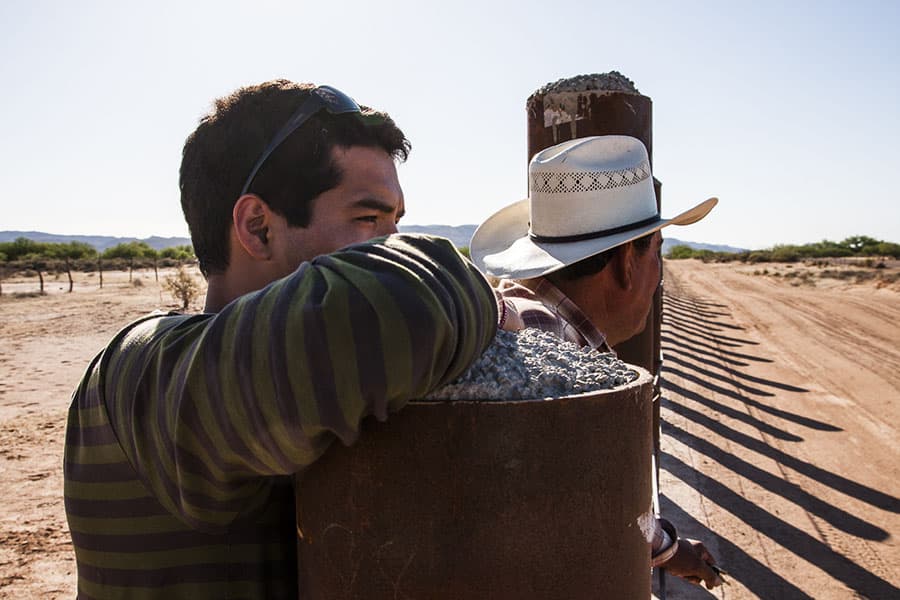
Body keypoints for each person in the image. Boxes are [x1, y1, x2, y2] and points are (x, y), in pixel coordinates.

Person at [64, 80, 499, 599]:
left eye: (396, 223)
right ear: (258, 227)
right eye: (368, 219)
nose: (391, 247)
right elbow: (404, 309)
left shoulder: (316, 371)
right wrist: (496, 303)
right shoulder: (141, 367)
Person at [471, 134, 724, 589]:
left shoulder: (508, 315)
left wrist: (666, 547)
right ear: (629, 261)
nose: (658, 276)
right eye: (658, 251)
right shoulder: (562, 366)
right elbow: (593, 505)